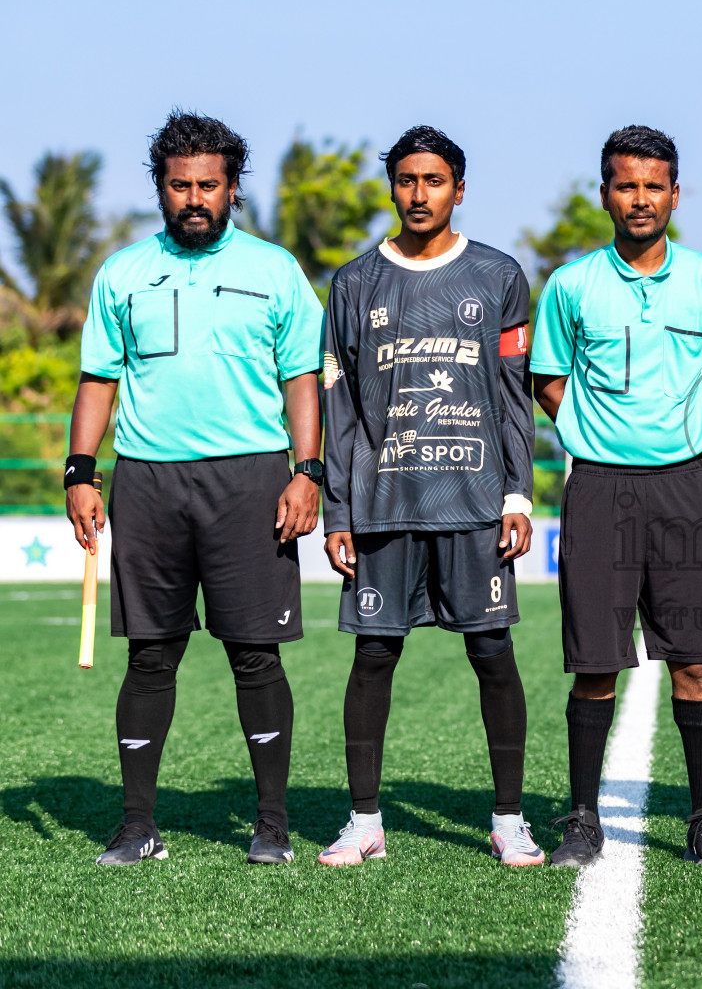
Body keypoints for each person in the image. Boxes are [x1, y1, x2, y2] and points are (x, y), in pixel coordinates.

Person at [66, 111, 323, 866]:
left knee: (256, 655)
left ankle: (271, 825)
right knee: (151, 656)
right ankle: (137, 825)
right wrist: (81, 471)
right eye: (180, 186)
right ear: (161, 190)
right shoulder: (121, 272)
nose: (194, 198)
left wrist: (306, 472)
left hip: (251, 479)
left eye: (208, 185)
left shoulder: (275, 271)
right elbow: (96, 380)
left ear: (233, 189)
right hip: (146, 483)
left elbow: (301, 378)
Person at [317, 127, 540, 867]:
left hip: (474, 499)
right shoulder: (354, 285)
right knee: (373, 654)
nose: (420, 194)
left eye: (434, 180)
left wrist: (519, 495)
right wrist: (338, 511)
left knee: (492, 651)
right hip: (383, 502)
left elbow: (515, 396)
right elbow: (340, 406)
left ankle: (508, 817)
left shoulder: (498, 276)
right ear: (392, 188)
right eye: (407, 180)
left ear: (459, 189)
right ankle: (363, 820)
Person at [530, 125, 702, 867]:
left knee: (694, 660)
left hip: (685, 488)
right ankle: (584, 819)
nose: (640, 199)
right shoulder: (571, 284)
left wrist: (690, 429)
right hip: (597, 488)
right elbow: (548, 379)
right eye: (626, 185)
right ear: (605, 195)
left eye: (654, 185)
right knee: (595, 662)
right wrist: (594, 432)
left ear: (675, 195)